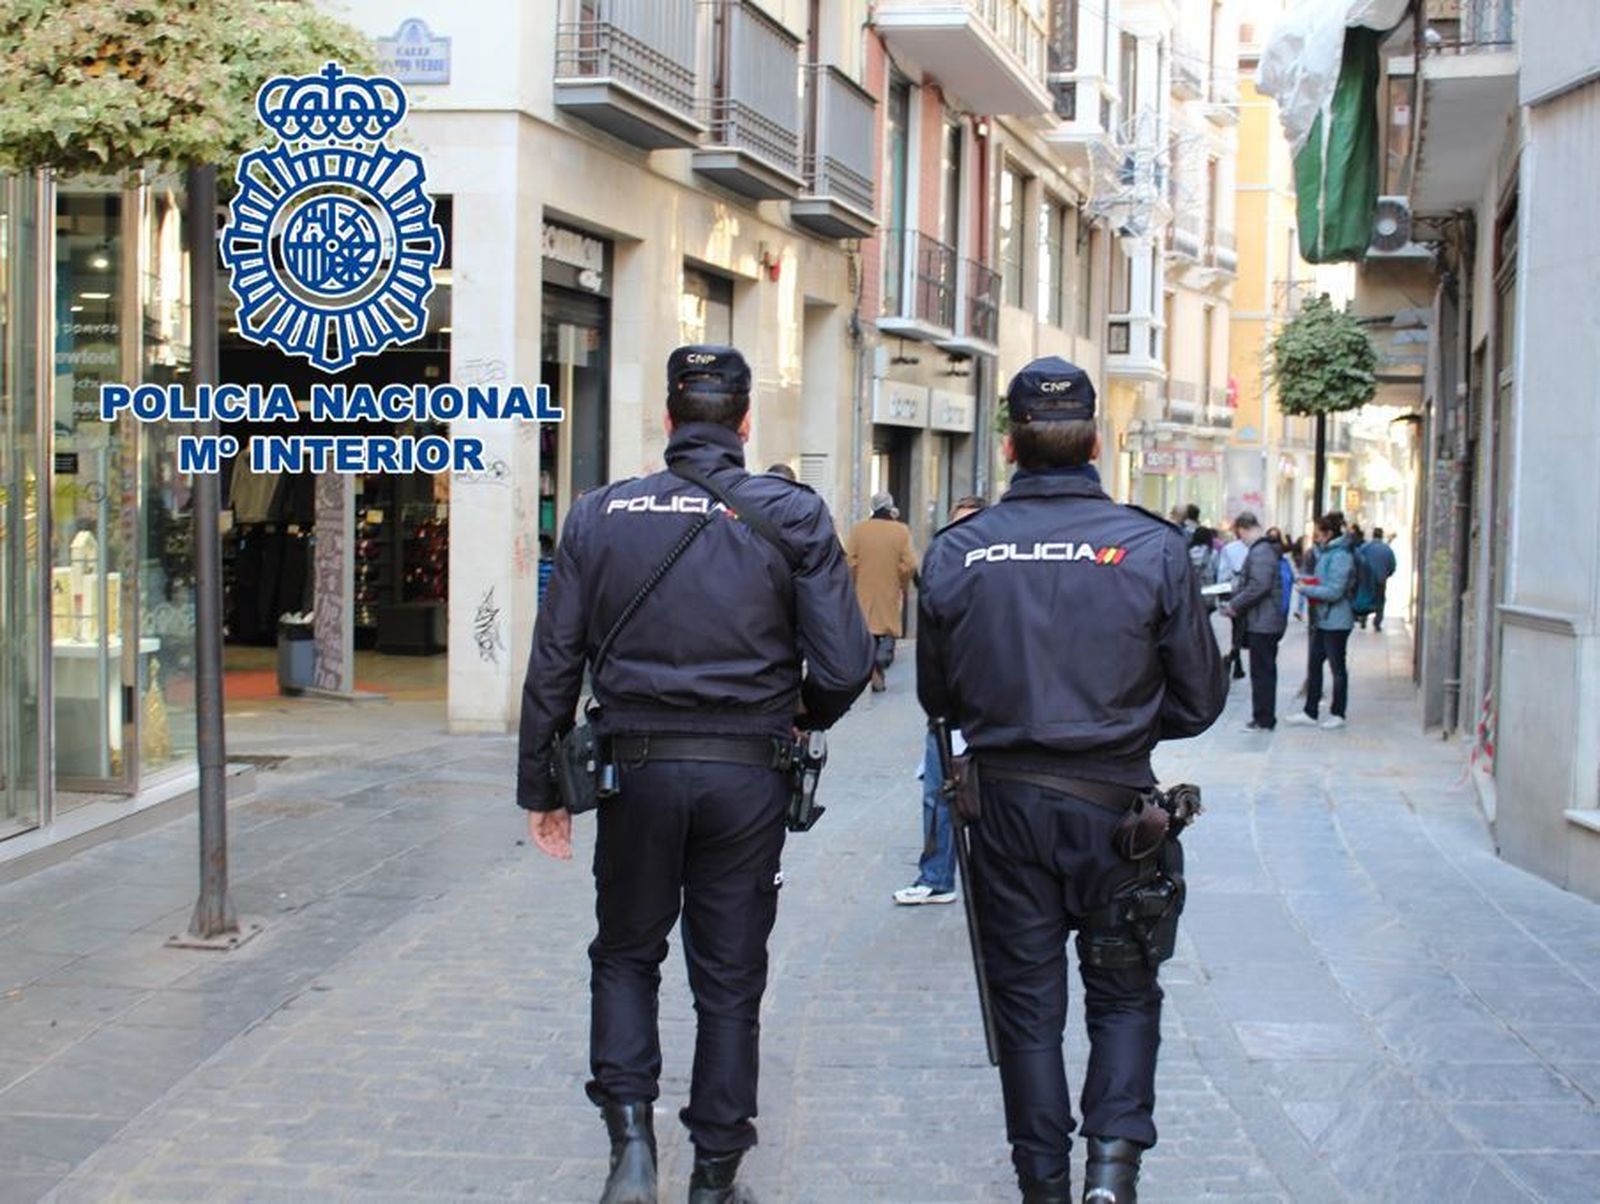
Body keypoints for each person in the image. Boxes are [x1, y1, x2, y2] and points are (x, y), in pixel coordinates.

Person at [517, 344, 874, 1204]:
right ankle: (713, 1179)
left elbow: (555, 659)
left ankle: (632, 1146)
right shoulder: (792, 513)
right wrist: (800, 717)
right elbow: (845, 662)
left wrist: (543, 786)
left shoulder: (601, 513)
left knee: (627, 954)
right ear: (745, 423)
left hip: (635, 772)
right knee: (729, 975)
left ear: (668, 417)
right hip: (747, 772)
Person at [918, 356, 1227, 1204]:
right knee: (1124, 994)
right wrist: (1119, 722)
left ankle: (1044, 1186)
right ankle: (1113, 1177)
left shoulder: (958, 552)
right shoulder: (1152, 547)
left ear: (1011, 443)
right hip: (1118, 811)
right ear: (1096, 440)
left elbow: (936, 698)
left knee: (1027, 1010)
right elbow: (1199, 702)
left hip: (1005, 810)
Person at [894, 494, 987, 907]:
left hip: (994, 711)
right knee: (938, 792)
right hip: (951, 711)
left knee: (993, 801)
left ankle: (993, 884)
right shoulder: (942, 573)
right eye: (957, 526)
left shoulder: (1000, 579)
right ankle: (936, 877)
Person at [1286, 511, 1357, 730]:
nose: (1315, 537)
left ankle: (1338, 712)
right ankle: (1311, 711)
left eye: (1317, 533)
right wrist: (1307, 581)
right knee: (1314, 665)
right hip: (1323, 619)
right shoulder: (1327, 553)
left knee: (1337, 668)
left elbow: (1335, 590)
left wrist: (1307, 589)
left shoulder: (1341, 556)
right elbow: (1324, 581)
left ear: (1328, 533)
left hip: (1336, 621)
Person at [847, 490, 918, 691]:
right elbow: (910, 563)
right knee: (886, 629)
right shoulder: (901, 531)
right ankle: (879, 662)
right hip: (889, 588)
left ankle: (871, 664)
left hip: (863, 589)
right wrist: (901, 580)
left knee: (866, 629)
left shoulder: (858, 530)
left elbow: (849, 561)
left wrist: (854, 581)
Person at [1221, 514, 1287, 731]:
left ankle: (1264, 718)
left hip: (1263, 622)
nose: (1241, 541)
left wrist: (1234, 605)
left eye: (1240, 535)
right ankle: (1262, 717)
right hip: (1265, 620)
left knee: (1262, 672)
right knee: (1262, 671)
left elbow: (1258, 586)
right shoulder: (1266, 550)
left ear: (1244, 529)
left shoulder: (1260, 551)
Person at [1217, 523, 1250, 679]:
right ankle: (1235, 657)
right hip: (1249, 591)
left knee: (1237, 626)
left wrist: (1221, 593)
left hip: (1233, 591)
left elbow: (1222, 573)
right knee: (1241, 626)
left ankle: (1235, 657)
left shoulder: (1229, 549)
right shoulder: (1255, 548)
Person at [1359, 527, 1398, 630]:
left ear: (1373, 535)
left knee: (1366, 598)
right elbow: (1392, 565)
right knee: (1380, 600)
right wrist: (1386, 574)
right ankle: (1377, 621)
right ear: (1381, 535)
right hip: (1381, 579)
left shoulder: (1365, 548)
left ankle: (1363, 618)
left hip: (1366, 579)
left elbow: (1358, 560)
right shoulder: (1387, 549)